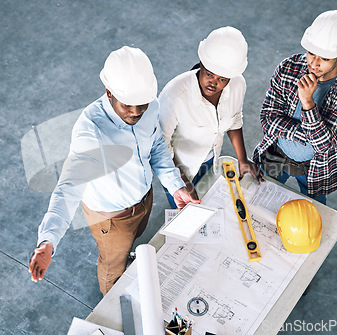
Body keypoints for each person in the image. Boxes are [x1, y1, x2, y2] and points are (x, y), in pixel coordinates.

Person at [28, 46, 199, 295]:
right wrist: (48, 241)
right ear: (109, 92)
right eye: (128, 105)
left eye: (142, 104)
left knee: (136, 238)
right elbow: (68, 191)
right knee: (112, 267)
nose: (137, 111)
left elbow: (157, 145)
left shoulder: (150, 105)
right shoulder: (91, 132)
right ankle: (111, 299)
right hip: (113, 221)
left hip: (144, 199)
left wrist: (175, 186)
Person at [253, 10, 337, 205]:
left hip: (315, 168)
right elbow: (268, 118)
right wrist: (306, 136)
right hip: (276, 154)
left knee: (313, 214)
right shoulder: (288, 67)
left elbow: (325, 147)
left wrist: (308, 103)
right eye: (311, 53)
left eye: (323, 58)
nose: (313, 63)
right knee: (259, 201)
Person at [159, 26, 263, 208]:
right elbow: (160, 145)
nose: (213, 83)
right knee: (185, 212)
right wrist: (182, 182)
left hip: (209, 159)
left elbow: (235, 118)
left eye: (222, 79)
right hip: (176, 167)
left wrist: (242, 159)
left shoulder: (238, 85)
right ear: (201, 62)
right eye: (209, 74)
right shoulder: (174, 95)